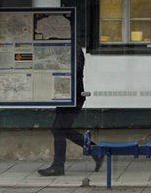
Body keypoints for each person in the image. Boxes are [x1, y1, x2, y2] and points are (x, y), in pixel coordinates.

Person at [38, 46, 103, 176]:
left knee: (58, 129)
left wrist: (54, 64)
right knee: (61, 128)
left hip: (73, 95)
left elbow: (76, 70)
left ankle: (58, 166)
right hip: (63, 94)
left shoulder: (73, 49)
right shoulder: (63, 49)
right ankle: (97, 151)